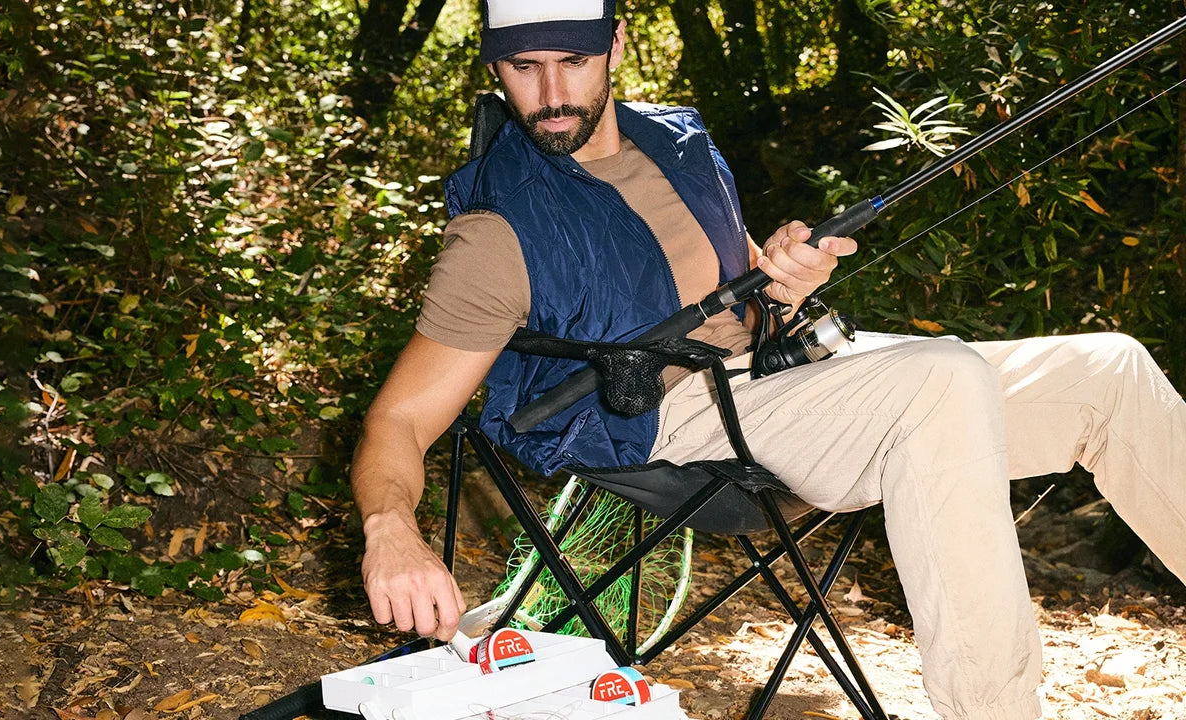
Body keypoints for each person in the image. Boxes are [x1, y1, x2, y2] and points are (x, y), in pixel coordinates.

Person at [350, 1, 1186, 718]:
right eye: (524, 68)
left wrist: (786, 275)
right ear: (495, 66)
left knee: (1105, 371)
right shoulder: (497, 231)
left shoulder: (677, 141)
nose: (553, 94)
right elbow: (400, 417)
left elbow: (738, 287)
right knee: (942, 379)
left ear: (615, 43)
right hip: (668, 417)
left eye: (572, 59)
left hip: (779, 375)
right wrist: (392, 529)